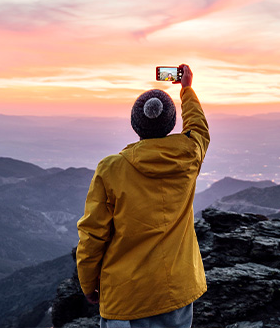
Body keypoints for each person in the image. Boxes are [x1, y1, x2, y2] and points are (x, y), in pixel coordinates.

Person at [76, 64, 209, 328]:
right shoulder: (189, 155)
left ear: (135, 124)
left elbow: (93, 234)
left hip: (127, 300)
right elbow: (199, 128)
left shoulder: (111, 169)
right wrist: (187, 90)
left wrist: (89, 284)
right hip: (176, 294)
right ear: (171, 123)